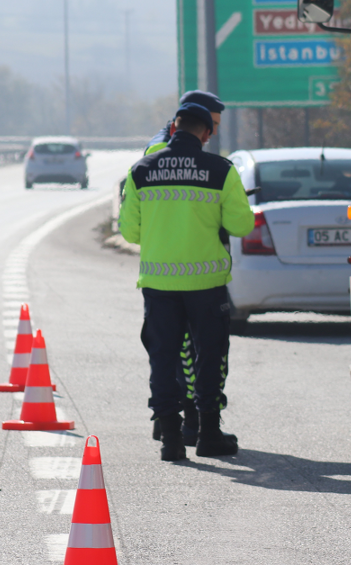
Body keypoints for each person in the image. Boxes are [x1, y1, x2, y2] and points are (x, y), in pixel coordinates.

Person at [119, 102, 254, 461]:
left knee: (163, 359)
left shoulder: (141, 170)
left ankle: (171, 441)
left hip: (159, 284)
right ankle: (209, 434)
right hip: (206, 285)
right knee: (209, 357)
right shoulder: (220, 170)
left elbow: (129, 231)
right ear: (207, 133)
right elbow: (242, 226)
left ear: (174, 128)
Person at [144, 89, 225, 446]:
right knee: (193, 354)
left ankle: (172, 426)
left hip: (161, 272)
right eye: (213, 125)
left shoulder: (154, 152)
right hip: (191, 272)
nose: (214, 134)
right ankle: (193, 422)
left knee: (171, 354)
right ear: (198, 123)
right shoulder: (157, 153)